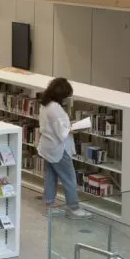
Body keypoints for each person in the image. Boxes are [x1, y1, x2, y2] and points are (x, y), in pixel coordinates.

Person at [37, 77, 92, 218]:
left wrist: (67, 124)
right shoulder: (55, 109)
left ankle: (49, 205)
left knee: (51, 176)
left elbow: (54, 126)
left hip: (48, 147)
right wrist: (77, 127)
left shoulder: (45, 104)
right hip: (59, 149)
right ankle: (74, 208)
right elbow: (63, 133)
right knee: (70, 178)